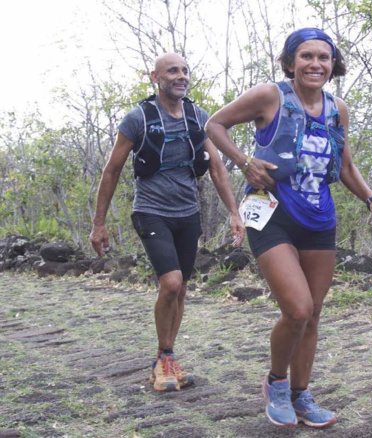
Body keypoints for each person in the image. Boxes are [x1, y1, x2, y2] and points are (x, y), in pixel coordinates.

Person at [205, 28, 372, 427]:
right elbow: (215, 125)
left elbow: (346, 166)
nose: (315, 64)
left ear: (333, 65)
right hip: (272, 214)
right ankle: (276, 383)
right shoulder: (271, 96)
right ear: (289, 62)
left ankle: (302, 395)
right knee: (296, 309)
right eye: (306, 56)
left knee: (313, 314)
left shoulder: (338, 108)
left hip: (320, 218)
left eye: (324, 57)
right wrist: (245, 162)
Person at [90, 53, 245, 392]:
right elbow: (112, 169)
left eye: (185, 71)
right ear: (155, 77)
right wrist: (98, 223)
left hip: (187, 213)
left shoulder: (198, 117)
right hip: (151, 210)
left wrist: (234, 212)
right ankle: (162, 358)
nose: (181, 76)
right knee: (171, 283)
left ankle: (169, 357)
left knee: (182, 288)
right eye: (172, 70)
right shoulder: (138, 119)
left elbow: (217, 169)